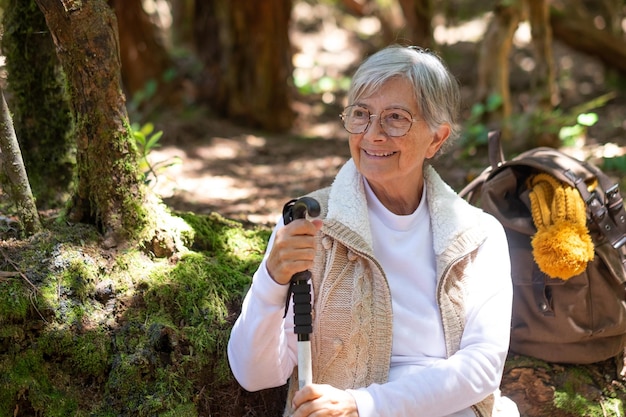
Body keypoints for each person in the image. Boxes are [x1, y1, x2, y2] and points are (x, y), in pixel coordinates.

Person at [228, 44, 519, 417]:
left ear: (436, 138)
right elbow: (255, 375)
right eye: (361, 114)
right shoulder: (310, 223)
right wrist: (271, 279)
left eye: (395, 117)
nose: (373, 134)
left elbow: (482, 368)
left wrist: (364, 405)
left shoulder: (479, 236)